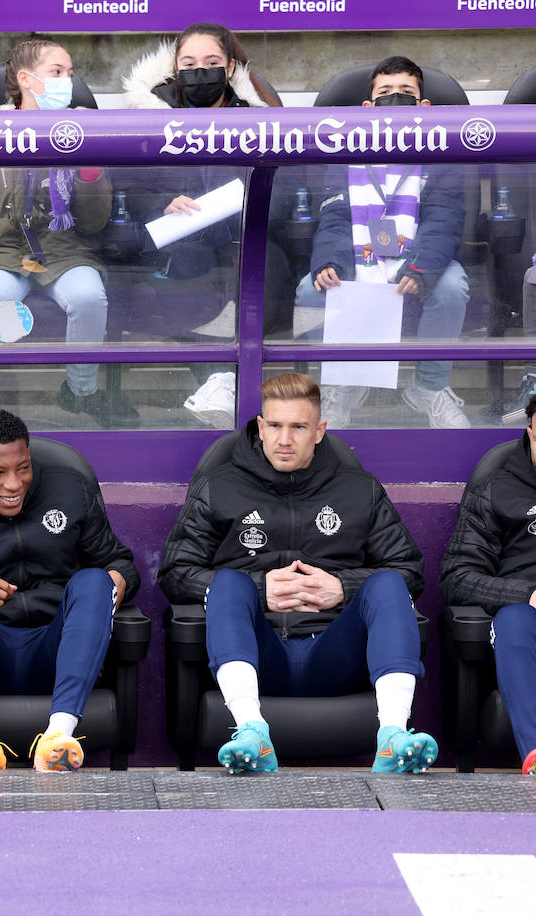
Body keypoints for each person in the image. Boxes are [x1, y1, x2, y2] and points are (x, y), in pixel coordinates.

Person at [159, 372, 437, 773]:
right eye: (274, 426)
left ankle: (393, 738)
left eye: (298, 427)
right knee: (230, 583)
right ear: (260, 426)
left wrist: (343, 587)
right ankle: (252, 733)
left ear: (320, 431)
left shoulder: (360, 490)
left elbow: (409, 570)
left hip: (336, 652)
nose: (284, 439)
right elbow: (175, 572)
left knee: (389, 583)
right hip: (258, 650)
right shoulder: (218, 486)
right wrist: (259, 589)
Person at [0, 409, 138, 770]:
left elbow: (119, 562)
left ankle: (59, 738)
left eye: (23, 468)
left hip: (57, 645)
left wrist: (108, 589)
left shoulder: (68, 487)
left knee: (96, 578)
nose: (14, 484)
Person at [0, 40, 129, 431]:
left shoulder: (83, 131)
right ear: (26, 79)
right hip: (0, 249)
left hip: (62, 251)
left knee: (88, 295)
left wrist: (90, 175)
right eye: (57, 72)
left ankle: (81, 391)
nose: (68, 82)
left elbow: (93, 222)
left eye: (70, 73)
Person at [122, 22, 287, 430]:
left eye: (212, 63)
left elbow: (286, 189)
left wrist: (249, 202)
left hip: (244, 234)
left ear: (230, 68)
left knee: (271, 266)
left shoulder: (257, 118)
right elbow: (130, 187)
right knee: (188, 270)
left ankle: (229, 383)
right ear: (175, 69)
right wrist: (163, 202)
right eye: (190, 63)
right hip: (181, 241)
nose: (201, 71)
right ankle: (213, 378)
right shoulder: (148, 117)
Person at [295, 56, 470, 430]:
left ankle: (428, 388)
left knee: (453, 286)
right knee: (310, 291)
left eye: (406, 92)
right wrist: (328, 261)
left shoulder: (445, 152)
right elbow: (335, 218)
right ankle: (342, 385)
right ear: (367, 107)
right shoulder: (344, 153)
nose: (395, 98)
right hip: (358, 258)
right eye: (385, 92)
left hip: (419, 261)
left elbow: (445, 220)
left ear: (423, 105)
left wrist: (422, 268)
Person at [439, 395, 536, 775]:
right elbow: (457, 577)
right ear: (530, 434)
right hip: (526, 617)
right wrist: (526, 595)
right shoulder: (498, 490)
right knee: (513, 621)